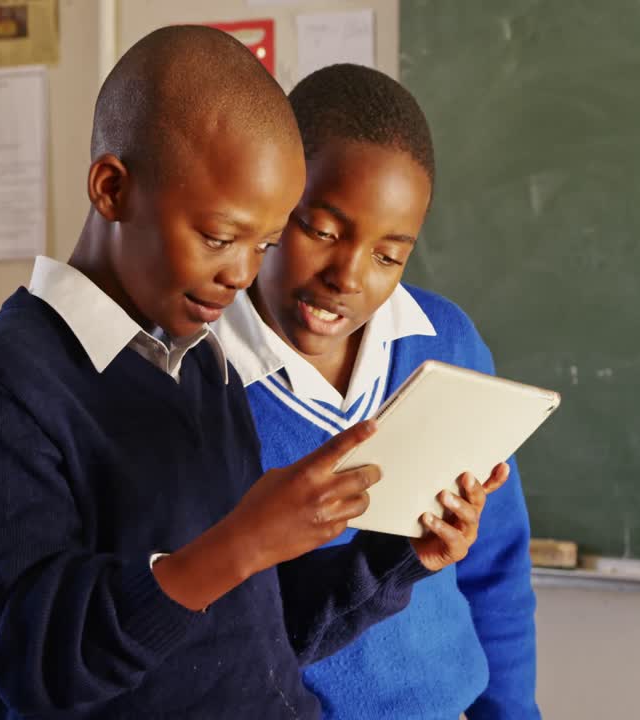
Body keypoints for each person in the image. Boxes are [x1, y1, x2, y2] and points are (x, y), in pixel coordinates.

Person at [0, 29, 502, 719]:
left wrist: (391, 555)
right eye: (220, 238)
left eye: (267, 243)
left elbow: (253, 636)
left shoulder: (197, 365)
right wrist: (242, 541)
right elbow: (33, 665)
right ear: (112, 188)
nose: (243, 274)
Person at [213, 63, 540, 719]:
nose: (347, 276)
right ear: (274, 196)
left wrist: (512, 714)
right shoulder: (202, 374)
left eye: (388, 255)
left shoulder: (445, 344)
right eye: (324, 231)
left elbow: (495, 565)